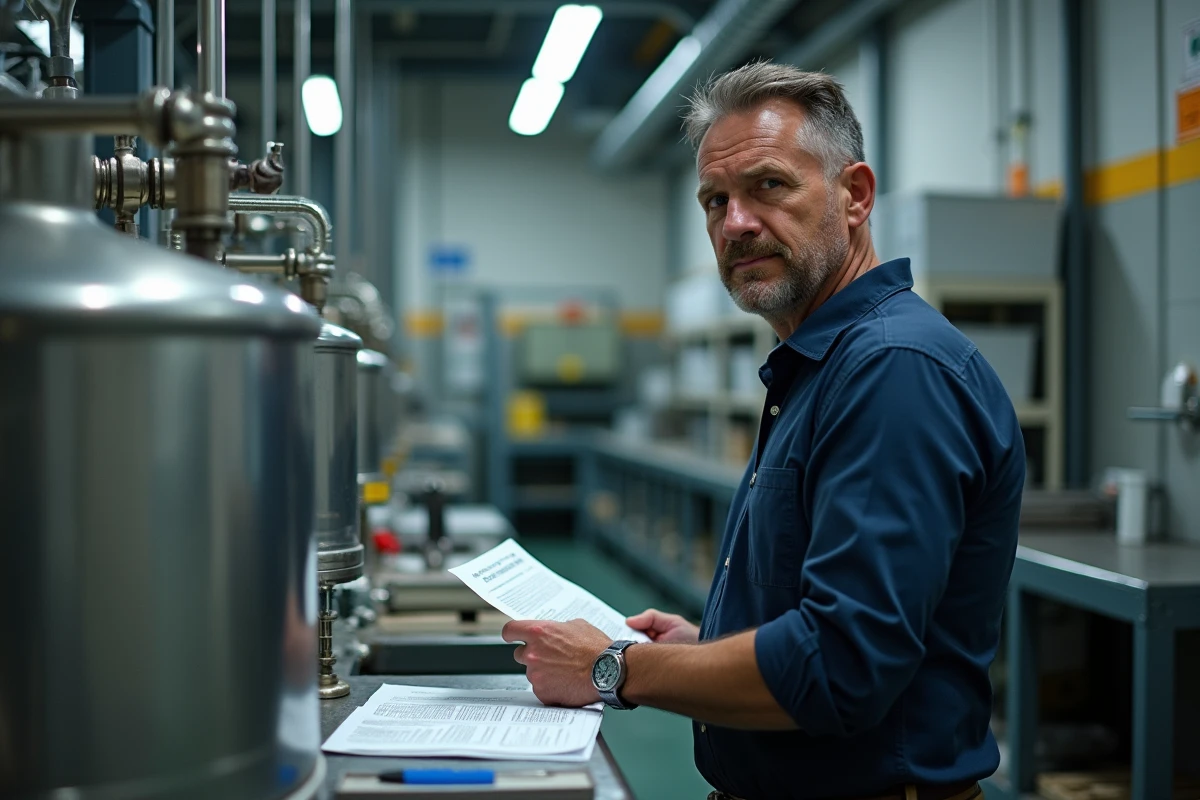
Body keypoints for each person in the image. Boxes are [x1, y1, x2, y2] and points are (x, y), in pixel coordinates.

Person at [501, 61, 1025, 800]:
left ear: (855, 196)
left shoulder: (893, 370)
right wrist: (707, 650)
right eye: (715, 201)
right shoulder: (823, 364)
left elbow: (842, 666)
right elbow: (813, 614)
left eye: (768, 186)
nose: (736, 223)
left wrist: (612, 667)